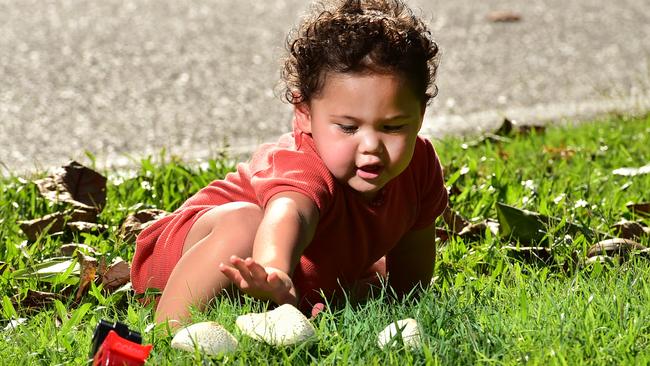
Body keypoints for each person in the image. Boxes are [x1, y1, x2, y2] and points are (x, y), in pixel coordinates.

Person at [130, 0, 448, 326]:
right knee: (246, 224)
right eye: (349, 127)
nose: (371, 146)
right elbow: (291, 213)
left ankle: (273, 307)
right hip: (186, 259)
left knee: (365, 282)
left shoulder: (418, 166)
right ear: (305, 113)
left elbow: (413, 252)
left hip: (282, 281)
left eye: (392, 127)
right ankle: (170, 331)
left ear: (420, 114)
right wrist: (273, 269)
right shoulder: (303, 164)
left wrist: (407, 304)